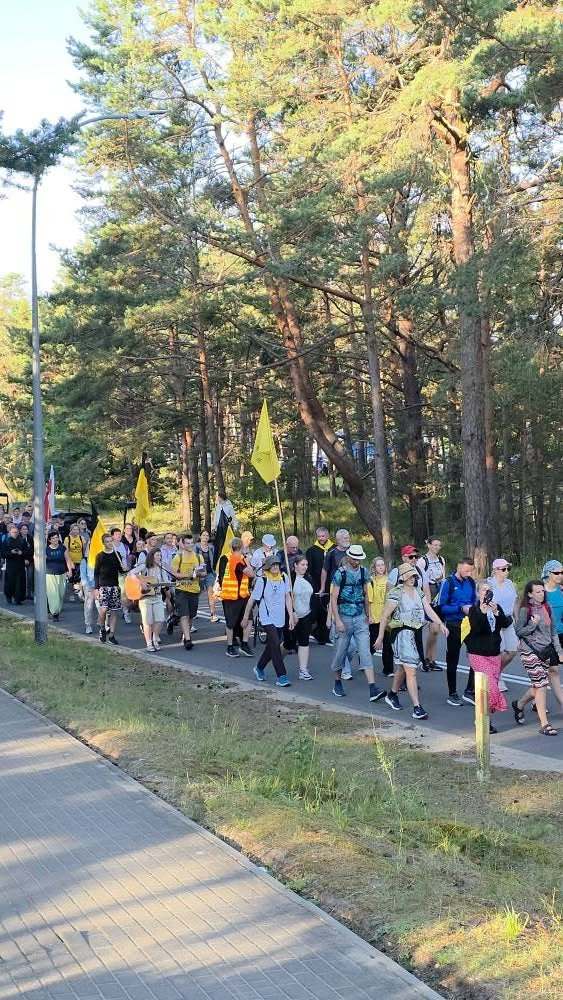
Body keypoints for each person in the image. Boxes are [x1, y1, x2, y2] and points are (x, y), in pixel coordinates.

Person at [376, 562, 447, 719]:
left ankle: (392, 694)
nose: (412, 578)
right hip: (401, 632)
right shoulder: (396, 593)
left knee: (402, 667)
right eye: (409, 575)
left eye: (414, 575)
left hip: (413, 633)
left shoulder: (419, 592)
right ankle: (417, 707)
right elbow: (384, 616)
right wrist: (380, 636)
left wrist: (440, 623)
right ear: (402, 578)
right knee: (411, 670)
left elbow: (428, 610)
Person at [330, 544, 385, 704]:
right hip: (344, 617)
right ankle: (337, 683)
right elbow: (334, 598)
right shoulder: (340, 573)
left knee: (365, 652)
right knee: (341, 652)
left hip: (360, 617)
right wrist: (337, 620)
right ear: (348, 557)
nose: (356, 561)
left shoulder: (363, 572)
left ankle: (372, 688)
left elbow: (366, 593)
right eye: (354, 558)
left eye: (359, 558)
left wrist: (368, 614)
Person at [513, 580, 563, 736]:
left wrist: (559, 651)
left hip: (545, 651)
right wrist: (533, 624)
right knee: (541, 685)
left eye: (543, 591)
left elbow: (553, 632)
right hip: (529, 651)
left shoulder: (547, 607)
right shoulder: (525, 610)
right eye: (538, 592)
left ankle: (519, 704)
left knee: (538, 684)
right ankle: (544, 724)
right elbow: (519, 632)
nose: (541, 594)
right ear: (530, 594)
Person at [465, 581, 512, 732]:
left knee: (486, 689)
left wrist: (497, 612)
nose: (487, 593)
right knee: (490, 687)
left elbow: (505, 623)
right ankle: (483, 719)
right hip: (478, 653)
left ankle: (483, 720)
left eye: (489, 590)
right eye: (484, 590)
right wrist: (483, 612)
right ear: (478, 593)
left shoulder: (496, 607)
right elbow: (477, 629)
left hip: (494, 654)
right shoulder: (474, 610)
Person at [241, 554, 294, 686]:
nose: (276, 567)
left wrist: (291, 615)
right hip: (267, 618)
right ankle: (282, 676)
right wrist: (246, 617)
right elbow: (252, 600)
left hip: (280, 618)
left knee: (271, 646)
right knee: (275, 644)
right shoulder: (262, 581)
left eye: (277, 565)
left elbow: (287, 597)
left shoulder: (284, 577)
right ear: (268, 567)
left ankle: (259, 668)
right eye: (273, 565)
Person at [438, 557, 477, 707]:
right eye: (466, 570)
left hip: (469, 623)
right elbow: (442, 607)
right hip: (454, 624)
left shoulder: (471, 582)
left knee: (476, 654)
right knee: (452, 659)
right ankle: (452, 693)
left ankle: (469, 690)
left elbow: (473, 601)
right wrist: (460, 608)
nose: (468, 573)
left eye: (470, 571)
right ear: (459, 566)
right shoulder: (448, 582)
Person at [486, 558, 519, 690]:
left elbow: (515, 602)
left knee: (512, 651)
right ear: (495, 570)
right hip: (494, 619)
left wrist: (517, 619)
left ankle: (496, 672)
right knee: (498, 650)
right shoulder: (489, 584)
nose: (507, 572)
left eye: (508, 569)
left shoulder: (510, 583)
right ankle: (495, 677)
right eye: (504, 569)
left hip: (508, 619)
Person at [218, 537, 254, 657]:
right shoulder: (237, 559)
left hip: (242, 595)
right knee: (231, 622)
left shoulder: (233, 558)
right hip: (233, 596)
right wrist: (247, 561)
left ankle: (243, 644)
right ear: (242, 547)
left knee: (248, 619)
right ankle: (230, 646)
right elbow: (251, 573)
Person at [416, 537, 446, 671]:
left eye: (439, 545)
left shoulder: (441, 559)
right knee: (433, 629)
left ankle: (431, 659)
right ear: (428, 545)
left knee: (436, 631)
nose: (437, 548)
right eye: (434, 545)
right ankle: (425, 659)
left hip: (439, 593)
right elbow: (419, 579)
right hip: (429, 593)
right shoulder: (423, 561)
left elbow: (443, 578)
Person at [171, 535, 205, 650]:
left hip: (194, 590)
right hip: (181, 589)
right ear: (183, 544)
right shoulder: (178, 557)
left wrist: (199, 573)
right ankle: (188, 639)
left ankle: (186, 635)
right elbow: (174, 574)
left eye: (192, 543)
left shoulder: (198, 557)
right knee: (184, 614)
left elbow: (204, 572)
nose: (190, 545)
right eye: (188, 543)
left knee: (191, 615)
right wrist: (188, 575)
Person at [94, 532, 126, 644]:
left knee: (114, 611)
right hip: (103, 586)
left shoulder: (117, 555)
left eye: (110, 541)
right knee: (103, 610)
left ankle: (112, 635)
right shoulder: (100, 556)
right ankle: (102, 629)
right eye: (107, 542)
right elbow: (96, 573)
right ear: (103, 543)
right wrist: (96, 588)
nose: (109, 543)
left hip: (114, 586)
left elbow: (122, 571)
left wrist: (124, 568)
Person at [134, 548, 168, 652]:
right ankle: (149, 643)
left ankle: (155, 637)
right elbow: (131, 574)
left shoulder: (161, 568)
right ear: (152, 556)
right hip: (145, 597)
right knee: (147, 621)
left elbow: (166, 581)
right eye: (157, 555)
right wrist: (142, 582)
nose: (159, 557)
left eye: (160, 555)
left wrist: (169, 586)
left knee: (160, 619)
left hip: (157, 596)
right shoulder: (144, 566)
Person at [305, 526, 332, 644]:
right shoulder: (311, 551)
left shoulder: (334, 549)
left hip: (331, 584)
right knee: (319, 610)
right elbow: (308, 569)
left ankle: (328, 634)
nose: (321, 538)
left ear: (328, 536)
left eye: (323, 536)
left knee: (329, 609)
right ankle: (319, 634)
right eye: (319, 536)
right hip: (316, 584)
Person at [367, 556, 394, 676]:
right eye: (378, 565)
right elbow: (368, 600)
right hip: (375, 615)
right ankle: (364, 661)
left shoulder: (389, 581)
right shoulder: (371, 581)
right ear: (374, 567)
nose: (381, 567)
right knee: (374, 643)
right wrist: (369, 616)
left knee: (388, 644)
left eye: (382, 565)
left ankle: (388, 669)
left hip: (386, 616)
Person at [293, 555, 314, 680]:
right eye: (302, 564)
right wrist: (292, 613)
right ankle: (275, 659)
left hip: (306, 614)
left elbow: (313, 596)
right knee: (289, 644)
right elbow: (287, 597)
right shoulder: (289, 578)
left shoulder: (309, 578)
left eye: (306, 565)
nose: (305, 567)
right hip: (293, 615)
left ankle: (303, 670)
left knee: (304, 642)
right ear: (295, 565)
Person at [45, 530, 73, 620]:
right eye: (53, 538)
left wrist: (69, 571)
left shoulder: (62, 548)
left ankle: (57, 610)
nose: (55, 539)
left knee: (61, 594)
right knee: (53, 594)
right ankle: (54, 613)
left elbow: (67, 560)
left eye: (56, 537)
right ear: (49, 540)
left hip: (62, 573)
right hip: (50, 574)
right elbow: (41, 561)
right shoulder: (46, 549)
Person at [196, 530, 218, 622]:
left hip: (209, 573)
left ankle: (213, 614)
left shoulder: (211, 547)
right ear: (200, 536)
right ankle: (194, 611)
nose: (205, 537)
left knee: (211, 593)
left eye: (207, 535)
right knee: (197, 593)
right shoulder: (195, 547)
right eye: (204, 535)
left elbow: (215, 560)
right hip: (199, 574)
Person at [2, 525, 27, 605]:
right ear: (10, 532)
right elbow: (3, 554)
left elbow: (28, 552)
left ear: (18, 532)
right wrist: (11, 552)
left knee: (20, 582)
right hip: (10, 565)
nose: (15, 534)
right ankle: (9, 596)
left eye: (16, 532)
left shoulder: (22, 541)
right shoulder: (6, 541)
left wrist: (21, 553)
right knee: (10, 582)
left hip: (20, 564)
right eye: (13, 532)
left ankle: (18, 599)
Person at [542, 560, 563, 645]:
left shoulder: (562, 590)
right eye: (556, 573)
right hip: (546, 636)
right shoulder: (540, 591)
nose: (560, 575)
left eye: (562, 572)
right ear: (548, 573)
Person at [63, 523, 86, 601]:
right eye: (74, 529)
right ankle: (71, 594)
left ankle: (80, 594)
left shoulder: (81, 538)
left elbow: (84, 550)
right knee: (70, 579)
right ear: (71, 530)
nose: (76, 531)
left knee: (79, 579)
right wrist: (69, 562)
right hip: (71, 561)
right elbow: (66, 551)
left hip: (80, 561)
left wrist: (84, 560)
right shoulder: (67, 539)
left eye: (77, 530)